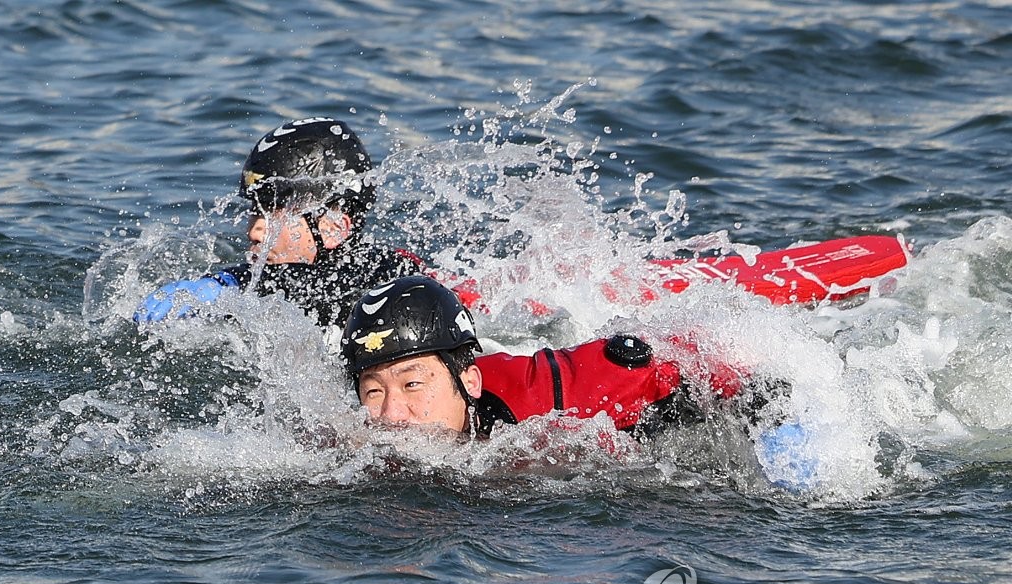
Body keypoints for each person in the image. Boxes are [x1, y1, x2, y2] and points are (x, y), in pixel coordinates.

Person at [339, 275, 790, 444]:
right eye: (373, 391)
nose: (391, 414)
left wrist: (781, 424)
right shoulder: (349, 442)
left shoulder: (548, 399)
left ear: (469, 383)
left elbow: (693, 364)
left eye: (412, 384)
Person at [133, 117, 421, 328]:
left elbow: (310, 286)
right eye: (255, 211)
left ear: (334, 227)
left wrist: (228, 285)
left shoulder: (388, 276)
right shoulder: (270, 290)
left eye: (274, 212)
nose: (255, 230)